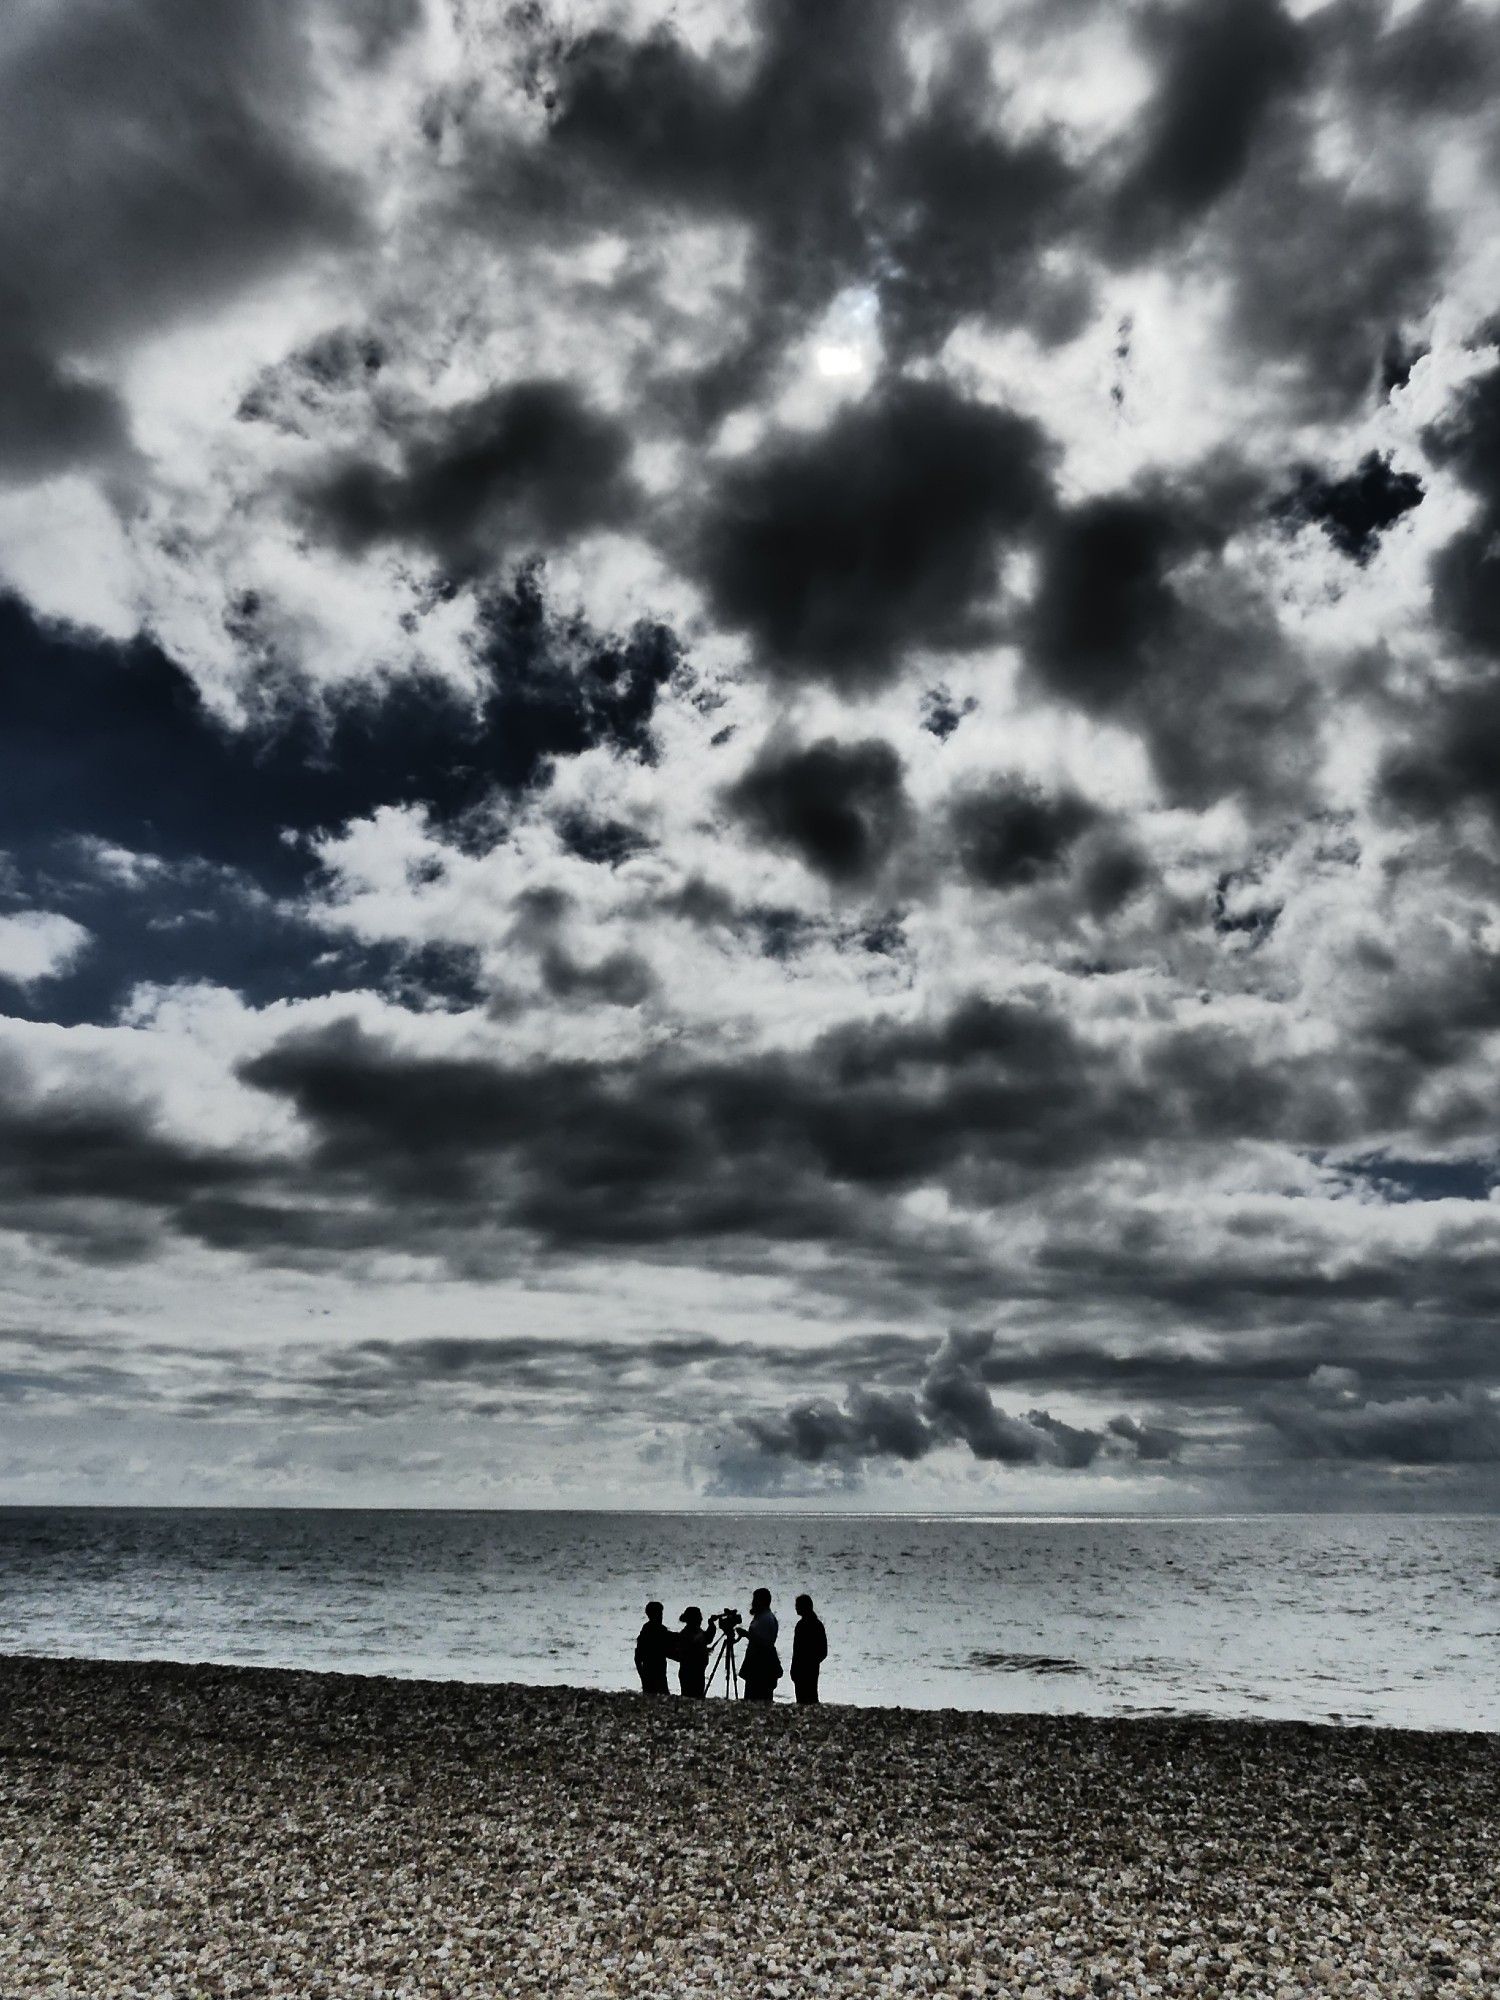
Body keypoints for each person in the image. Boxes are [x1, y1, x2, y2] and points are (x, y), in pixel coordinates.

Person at [739, 1586, 782, 1703]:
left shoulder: (765, 1619)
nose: (752, 1603)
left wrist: (746, 1635)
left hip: (761, 1666)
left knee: (758, 1698)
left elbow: (765, 1643)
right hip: (758, 1665)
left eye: (755, 1600)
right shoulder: (762, 1617)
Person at [791, 1592, 827, 1704]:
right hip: (809, 1667)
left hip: (806, 1667)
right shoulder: (816, 1624)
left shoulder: (804, 1625)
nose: (796, 1607)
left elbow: (797, 1650)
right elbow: (823, 1651)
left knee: (805, 1697)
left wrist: (810, 1662)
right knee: (810, 1696)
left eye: (798, 1605)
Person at [673, 1606, 713, 1698]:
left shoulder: (696, 1631)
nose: (701, 1619)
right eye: (699, 1617)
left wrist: (711, 1626)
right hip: (690, 1673)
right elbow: (687, 1652)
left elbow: (707, 1639)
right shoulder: (686, 1633)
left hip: (698, 1671)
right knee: (691, 1697)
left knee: (696, 1696)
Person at [634, 1600, 671, 1694]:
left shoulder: (647, 1630)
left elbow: (637, 1657)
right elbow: (670, 1649)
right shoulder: (658, 1630)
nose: (661, 1617)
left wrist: (642, 1674)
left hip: (652, 1671)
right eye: (659, 1614)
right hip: (654, 1671)